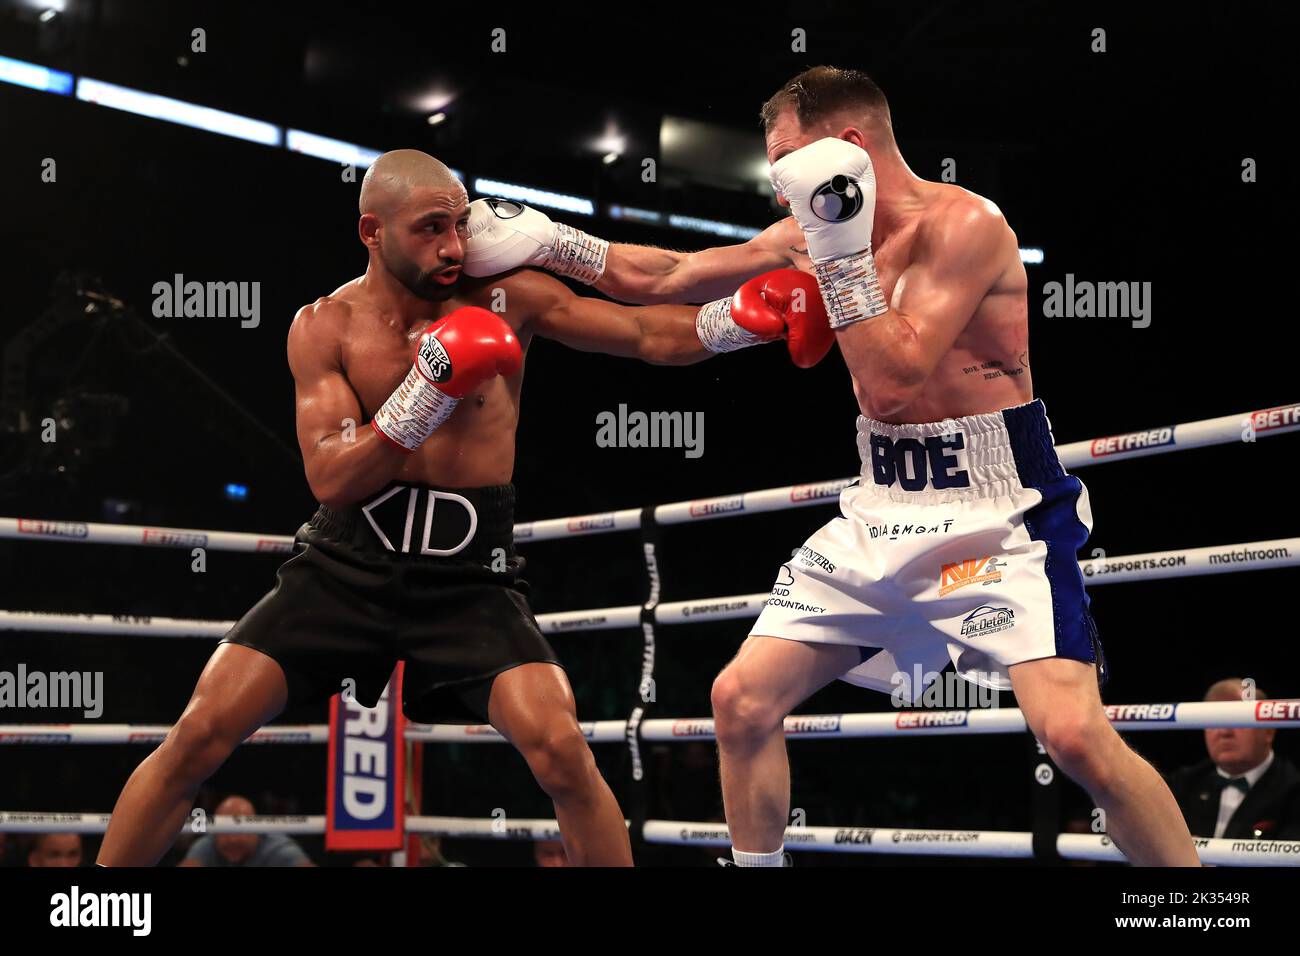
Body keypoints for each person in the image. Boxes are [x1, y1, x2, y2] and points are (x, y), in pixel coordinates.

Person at [466, 66, 1200, 867]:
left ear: (848, 147)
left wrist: (840, 253)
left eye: (787, 162)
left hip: (996, 511)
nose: (780, 189)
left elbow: (891, 384)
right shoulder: (812, 229)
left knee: (1075, 739)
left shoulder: (966, 225)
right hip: (881, 501)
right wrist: (552, 240)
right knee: (740, 701)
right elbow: (666, 278)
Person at [97, 149, 829, 868]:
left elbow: (645, 333)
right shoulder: (324, 326)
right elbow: (330, 476)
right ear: (371, 233)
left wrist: (743, 319)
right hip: (345, 566)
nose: (453, 246)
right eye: (428, 229)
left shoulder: (506, 297)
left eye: (457, 223)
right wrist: (427, 391)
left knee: (563, 753)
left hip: (469, 579)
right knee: (198, 734)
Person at [1167, 679, 1300, 840]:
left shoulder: (1293, 789)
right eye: (1214, 720)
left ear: (1268, 732)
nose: (1224, 732)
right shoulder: (1183, 783)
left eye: (1237, 720)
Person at [179, 795, 314, 867]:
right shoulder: (207, 846)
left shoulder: (278, 849)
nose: (232, 839)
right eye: (225, 832)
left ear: (255, 831)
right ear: (215, 834)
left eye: (238, 831)